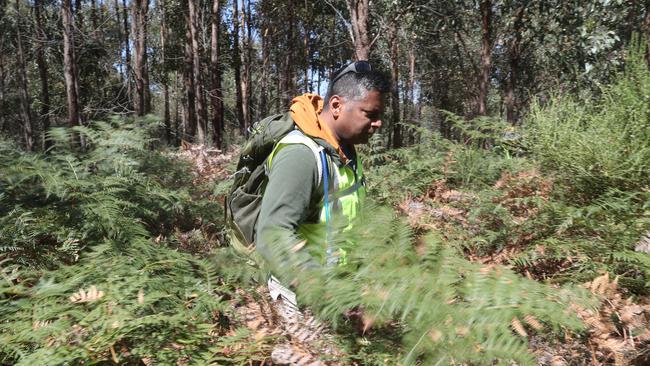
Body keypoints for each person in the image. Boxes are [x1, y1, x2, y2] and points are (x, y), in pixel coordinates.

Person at [256, 61, 389, 268]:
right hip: (304, 292)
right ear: (336, 106)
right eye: (370, 114)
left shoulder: (345, 152)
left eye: (380, 116)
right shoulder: (300, 156)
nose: (379, 123)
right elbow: (273, 237)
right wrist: (322, 291)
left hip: (340, 286)